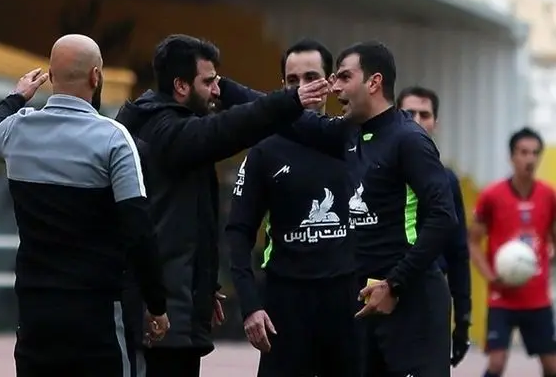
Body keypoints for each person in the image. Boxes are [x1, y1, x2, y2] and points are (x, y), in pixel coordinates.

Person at [218, 41, 457, 376]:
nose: (335, 87)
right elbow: (284, 118)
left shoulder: (409, 140)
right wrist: (224, 88)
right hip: (366, 304)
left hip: (412, 304)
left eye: (344, 77)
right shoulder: (346, 134)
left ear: (373, 82)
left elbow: (444, 217)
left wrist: (395, 283)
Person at [114, 34, 328, 377]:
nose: (217, 91)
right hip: (160, 318)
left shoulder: (163, 124)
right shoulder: (163, 131)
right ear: (181, 86)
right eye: (209, 82)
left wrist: (203, 286)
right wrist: (289, 102)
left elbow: (184, 221)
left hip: (176, 308)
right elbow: (224, 129)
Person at [0, 35, 169, 377]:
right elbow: (139, 229)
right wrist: (157, 305)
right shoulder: (113, 139)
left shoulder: (16, 130)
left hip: (36, 313)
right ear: (96, 76)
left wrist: (17, 96)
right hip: (96, 314)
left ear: (51, 77)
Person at [225, 39, 359, 377]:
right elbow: (238, 231)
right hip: (285, 303)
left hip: (346, 301)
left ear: (330, 82)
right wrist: (250, 306)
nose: (302, 88)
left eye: (311, 78)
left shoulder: (352, 140)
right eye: (292, 81)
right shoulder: (264, 150)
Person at [469, 127, 556, 377]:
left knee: (551, 366)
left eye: (535, 153)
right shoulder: (491, 195)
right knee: (496, 363)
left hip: (537, 297)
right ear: (511, 156)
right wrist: (491, 277)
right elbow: (473, 242)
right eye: (523, 152)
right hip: (502, 297)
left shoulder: (549, 195)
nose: (530, 159)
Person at [397, 85, 472, 367]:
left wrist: (463, 319)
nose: (416, 120)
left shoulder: (447, 180)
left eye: (424, 114)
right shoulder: (375, 170)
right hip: (381, 292)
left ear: (435, 123)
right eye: (408, 113)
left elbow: (458, 252)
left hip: (430, 296)